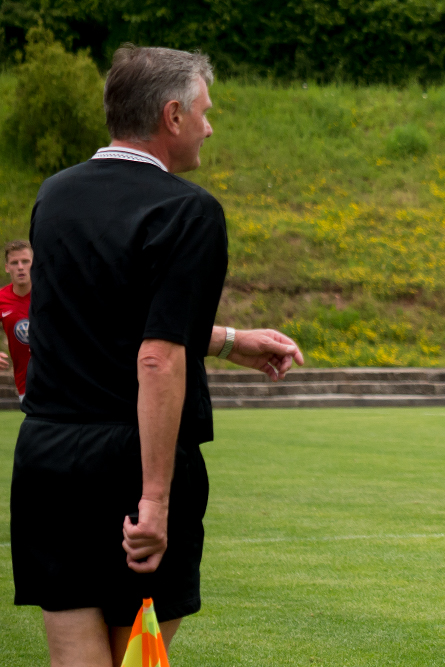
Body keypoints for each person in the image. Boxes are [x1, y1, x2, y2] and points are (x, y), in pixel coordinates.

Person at [10, 45, 304, 667]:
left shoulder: (55, 196)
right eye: (204, 110)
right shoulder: (187, 210)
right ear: (172, 116)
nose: (210, 125)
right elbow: (156, 358)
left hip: (48, 459)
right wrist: (156, 499)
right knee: (136, 664)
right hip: (129, 462)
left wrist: (227, 340)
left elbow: (101, 320)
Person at [0, 240, 33, 400]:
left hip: (58, 380)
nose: (20, 267)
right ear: (7, 267)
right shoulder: (2, 299)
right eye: (14, 262)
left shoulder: (50, 294)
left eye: (25, 261)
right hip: (26, 385)